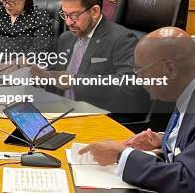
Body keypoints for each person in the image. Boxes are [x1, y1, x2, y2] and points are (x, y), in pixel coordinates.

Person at [79, 27, 195, 193]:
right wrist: (164, 140)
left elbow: (187, 181)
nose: (138, 78)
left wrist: (122, 154)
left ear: (169, 70)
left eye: (141, 70)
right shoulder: (185, 91)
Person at [32, 0, 150, 119]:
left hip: (98, 120)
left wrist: (76, 81)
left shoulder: (122, 39)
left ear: (94, 11)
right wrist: (39, 75)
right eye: (65, 15)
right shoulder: (66, 38)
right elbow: (58, 80)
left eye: (75, 15)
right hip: (60, 115)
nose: (69, 22)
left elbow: (129, 86)